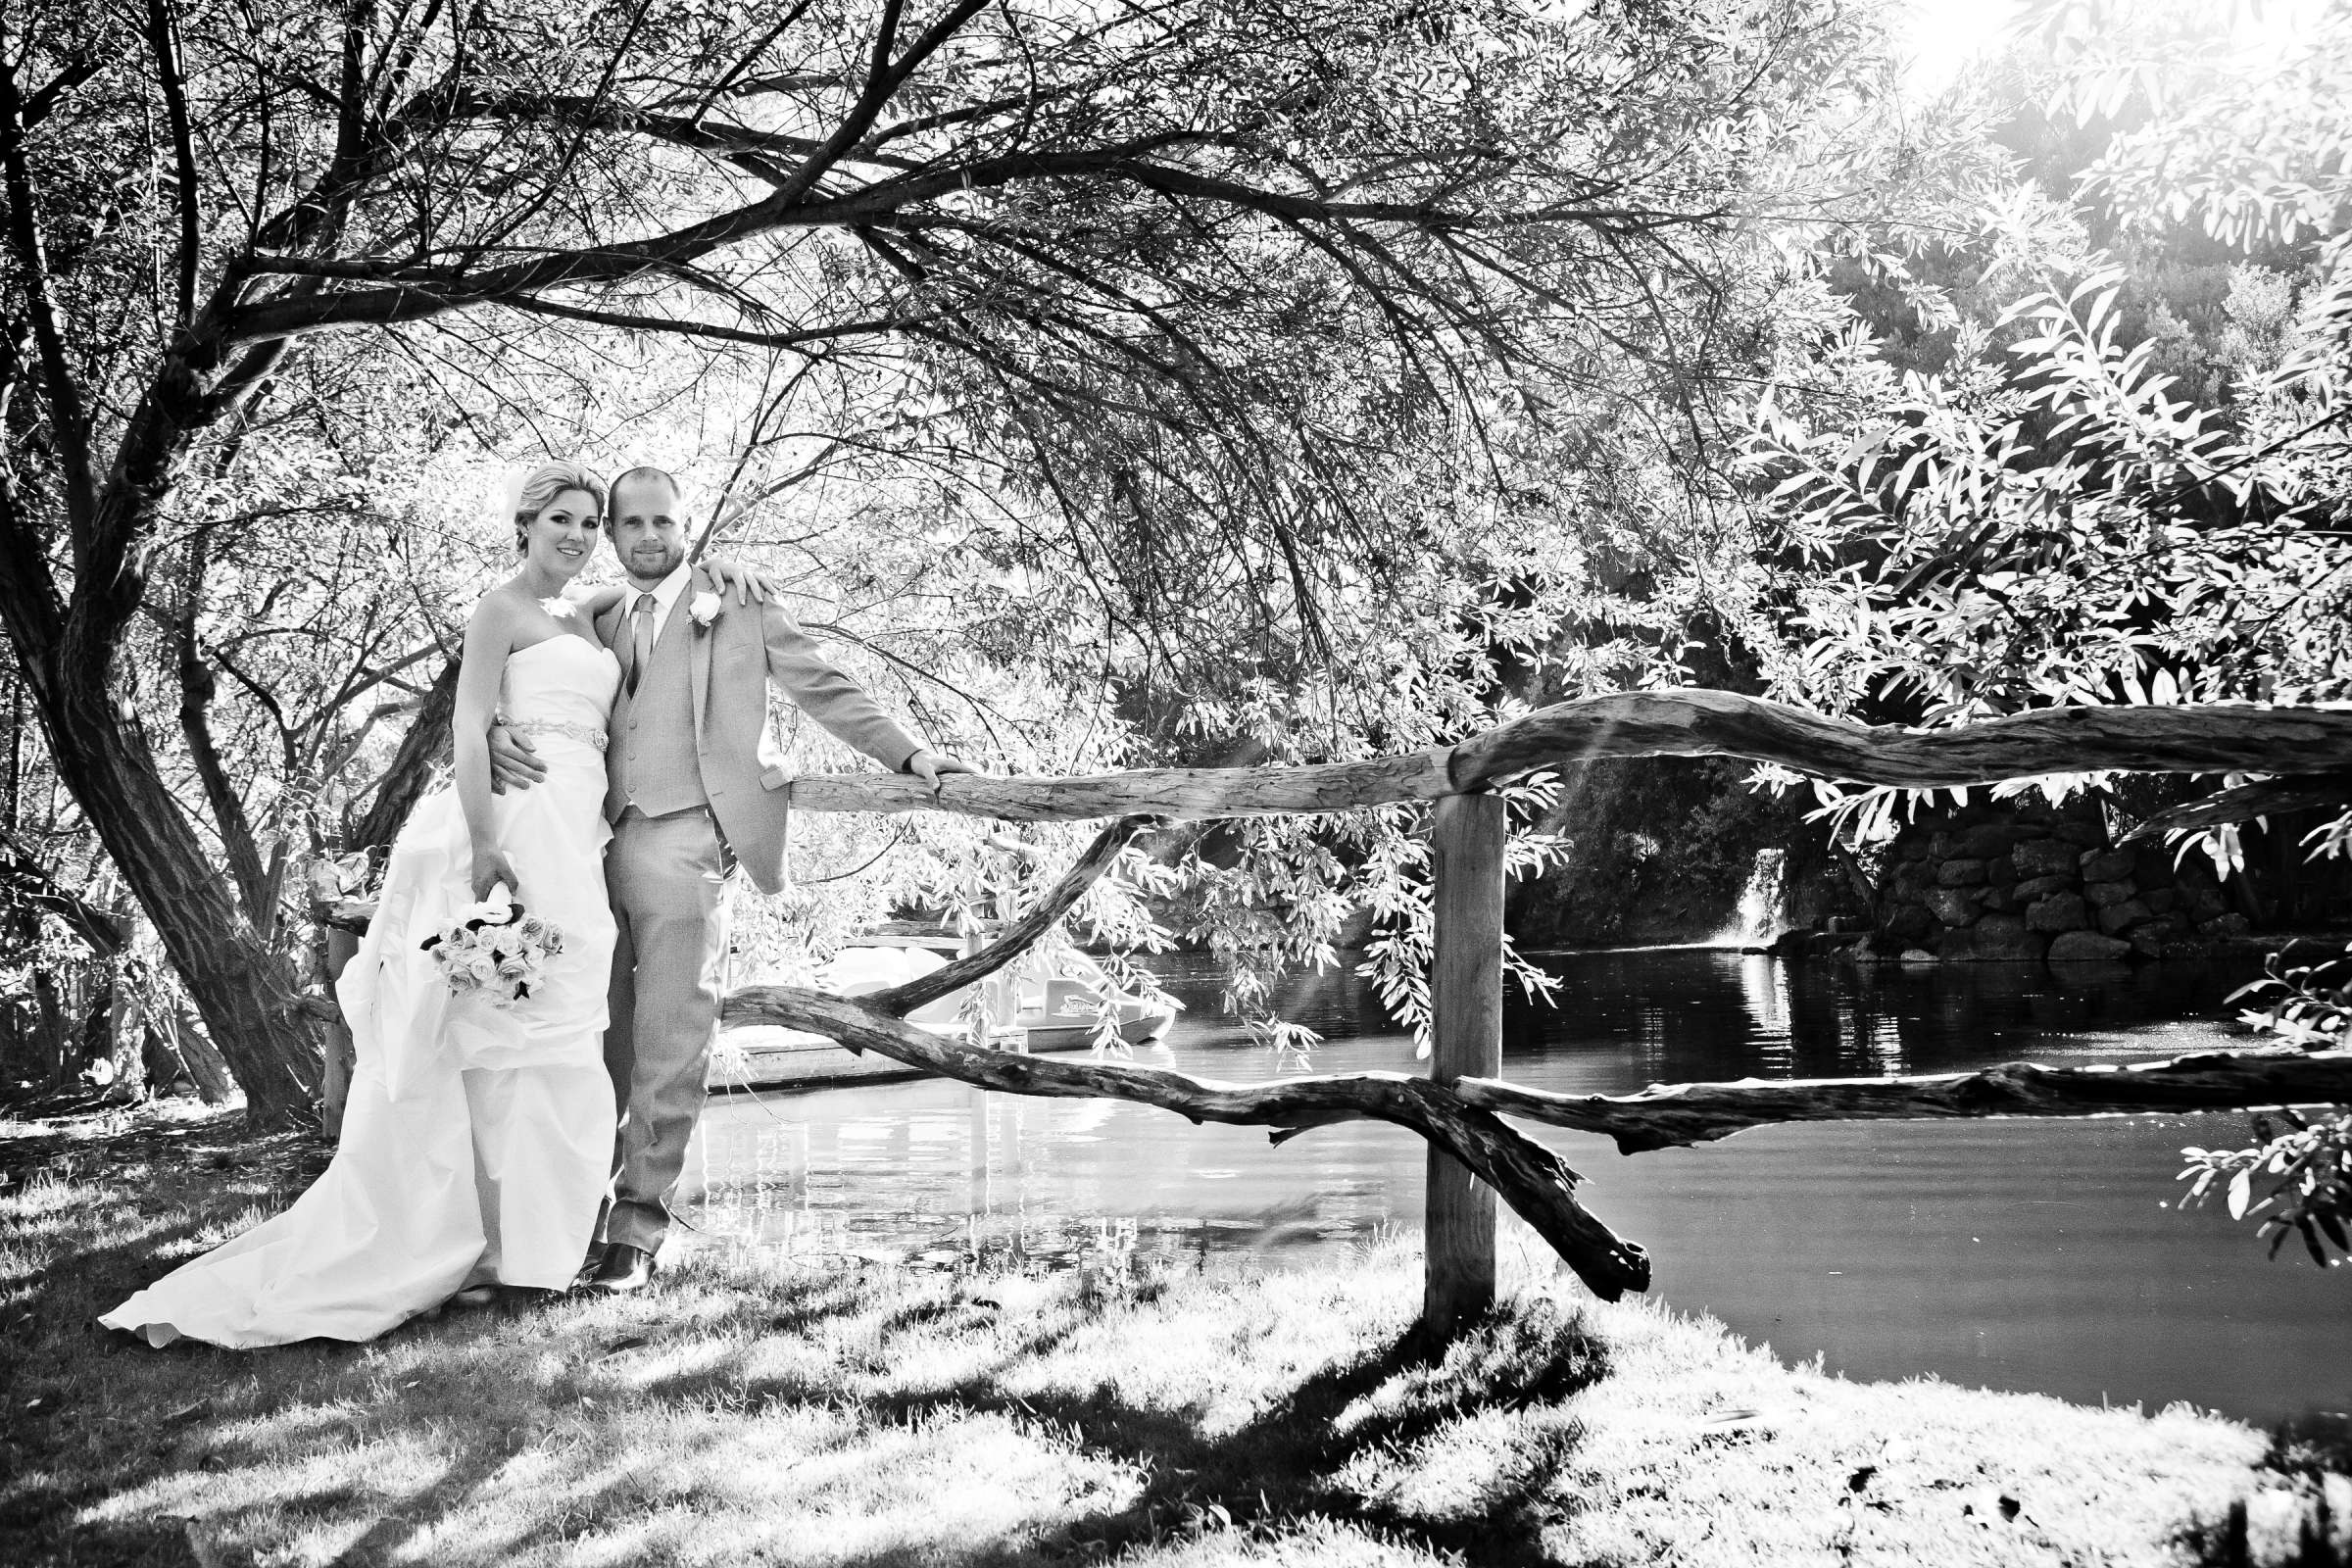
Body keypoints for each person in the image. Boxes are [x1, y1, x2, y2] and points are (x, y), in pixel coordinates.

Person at [97, 462, 776, 1347]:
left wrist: (723, 571)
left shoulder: (593, 611)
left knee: (565, 1039)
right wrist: (489, 838)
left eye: (587, 522)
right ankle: (490, 1245)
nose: (576, 535)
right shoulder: (499, 607)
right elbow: (465, 722)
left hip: (579, 845)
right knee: (497, 1034)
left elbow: (664, 579)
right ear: (524, 526)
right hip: (514, 843)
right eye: (558, 521)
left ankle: (542, 1244)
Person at [491, 465, 972, 1294]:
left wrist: (910, 754)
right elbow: (527, 677)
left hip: (683, 843)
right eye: (630, 524)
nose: (648, 537)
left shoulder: (739, 601)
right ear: (612, 533)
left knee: (670, 1039)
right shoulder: (596, 612)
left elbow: (822, 685)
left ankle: (637, 1229)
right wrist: (499, 729)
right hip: (583, 846)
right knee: (586, 1036)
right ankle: (571, 1211)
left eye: (663, 523)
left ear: (688, 528)